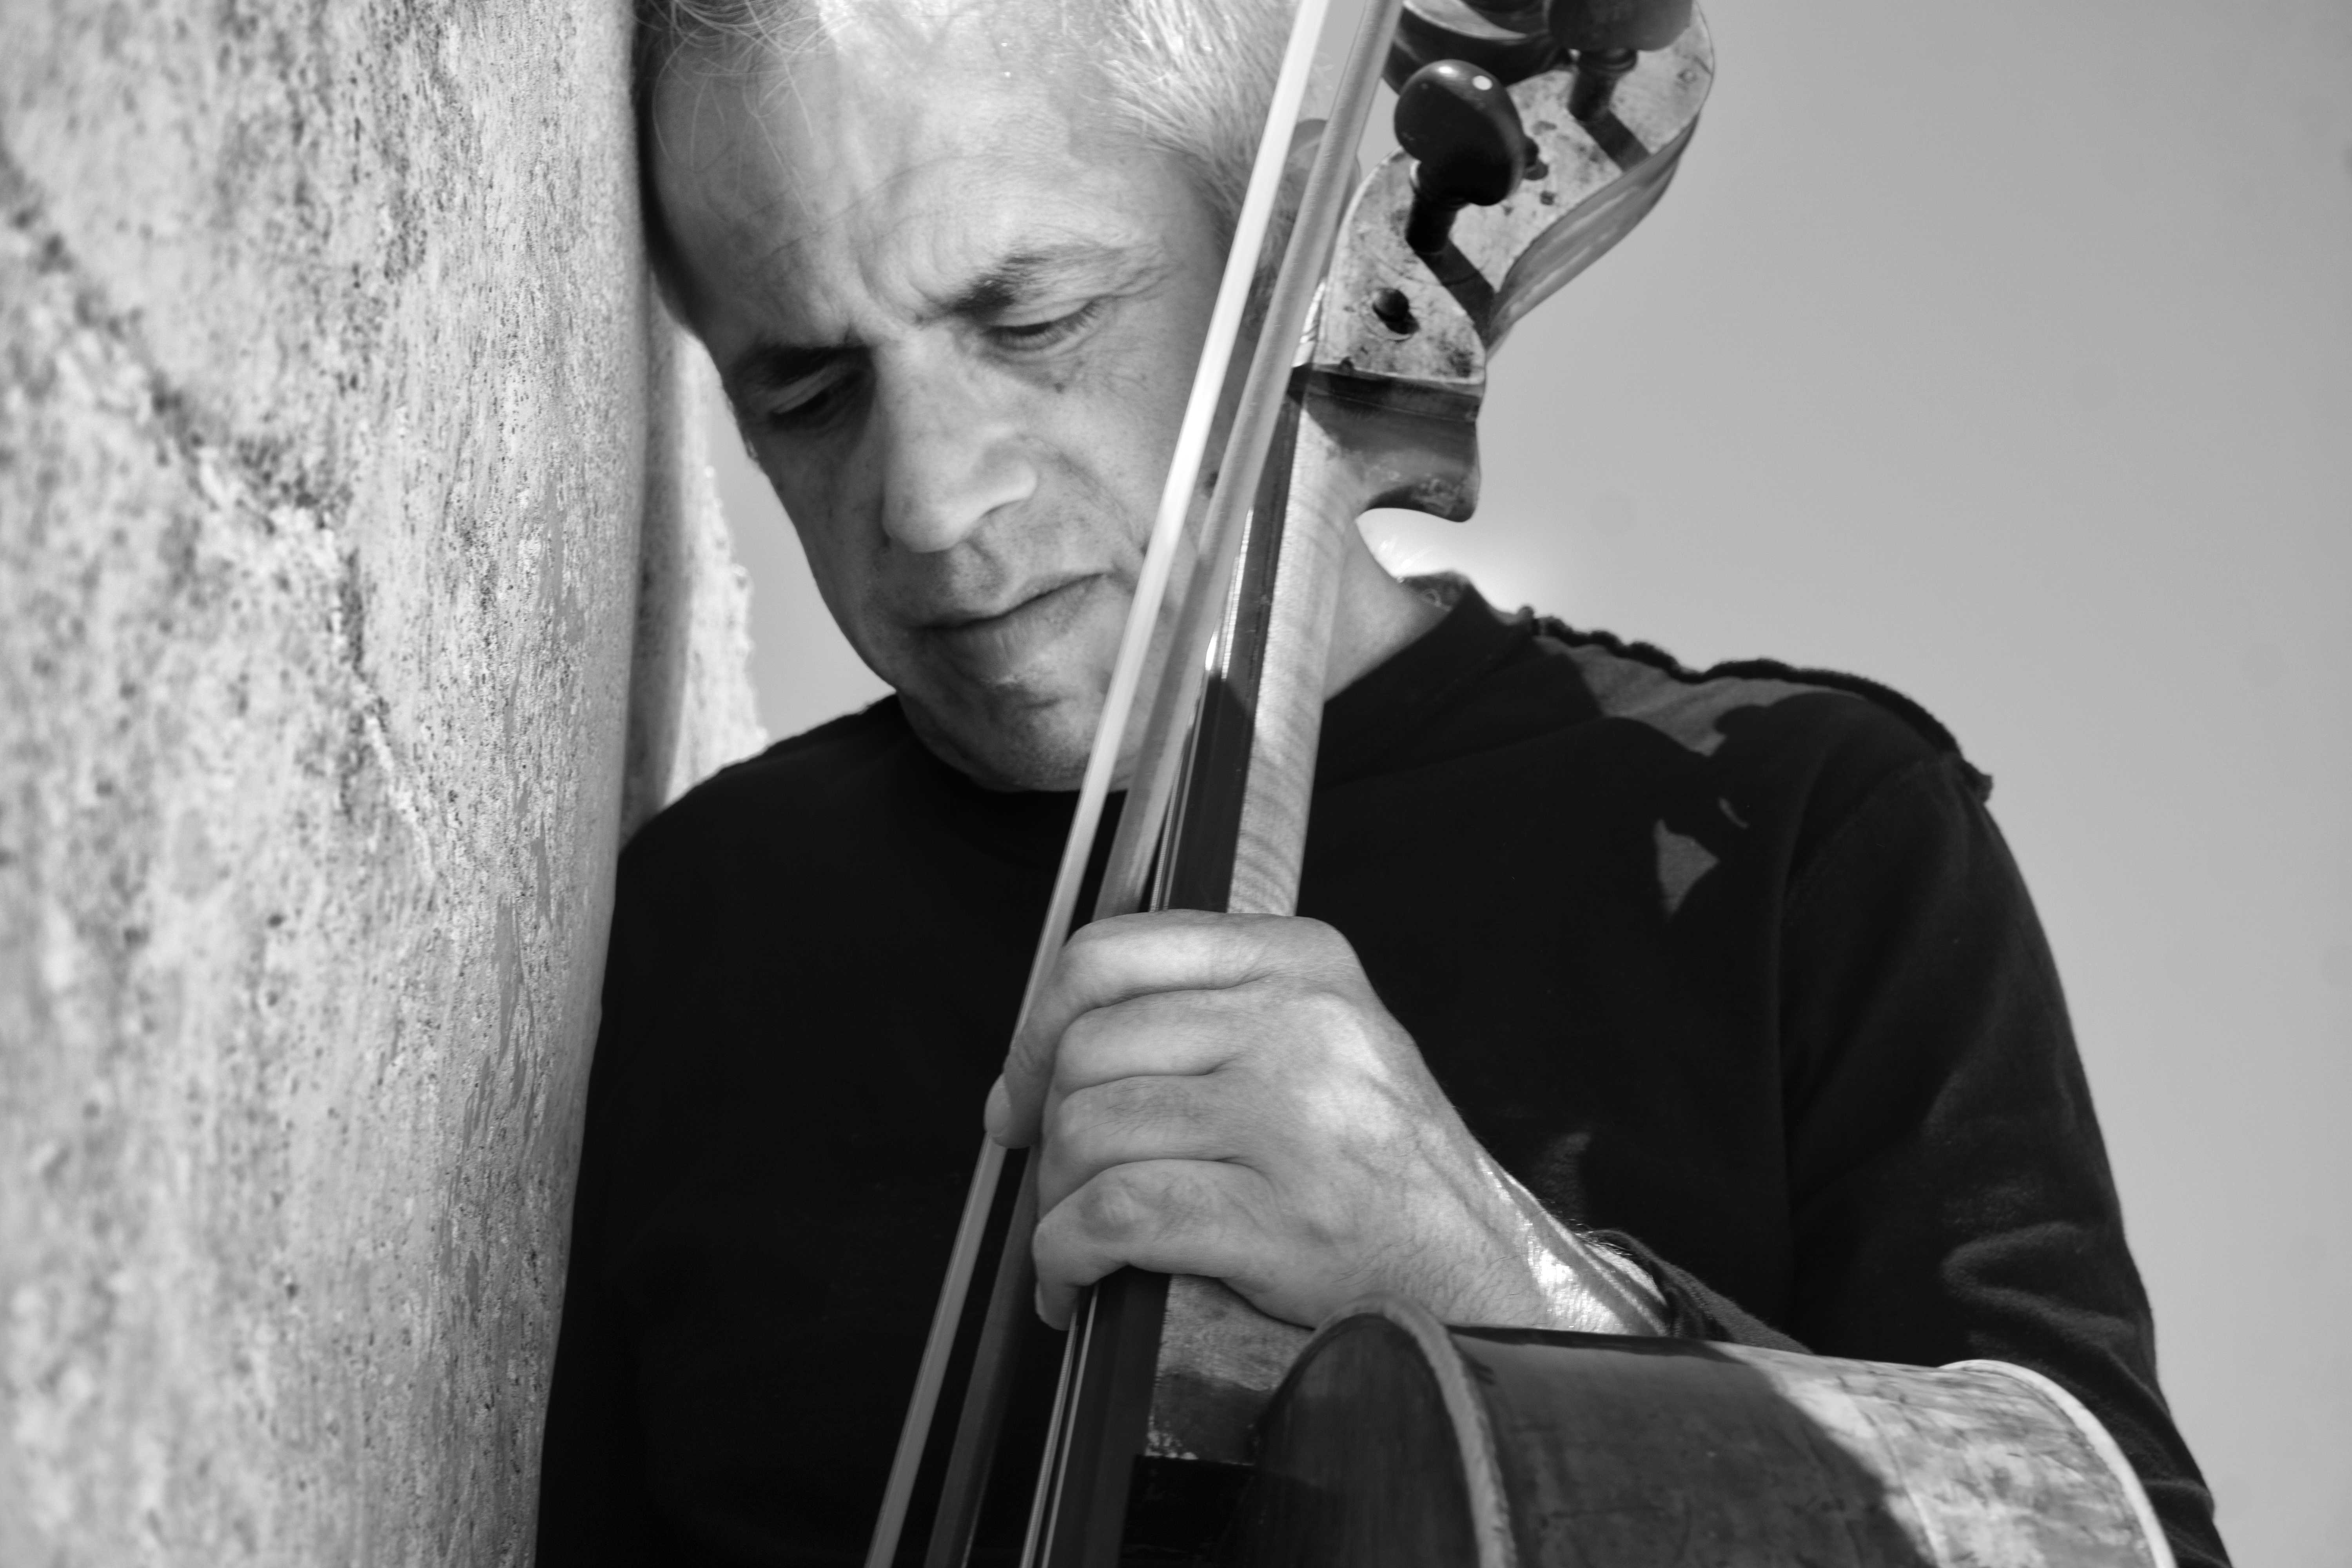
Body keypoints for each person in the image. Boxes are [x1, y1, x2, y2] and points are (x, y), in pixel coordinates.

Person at [535, 2, 2227, 1564]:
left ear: (1280, 252)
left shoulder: (1804, 842)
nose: (926, 500)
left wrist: (1502, 1286)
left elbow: (2089, 1536)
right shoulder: (703, 933)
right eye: (809, 393)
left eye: (1032, 319)